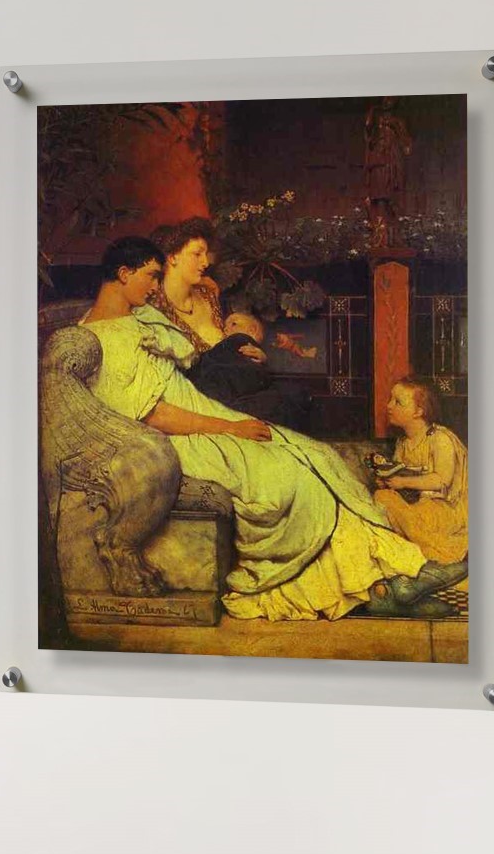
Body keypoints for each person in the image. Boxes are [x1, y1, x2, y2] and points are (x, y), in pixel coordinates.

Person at [81, 237, 428, 622]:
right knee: (291, 477)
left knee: (317, 454)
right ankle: (367, 586)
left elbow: (191, 357)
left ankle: (392, 574)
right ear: (123, 274)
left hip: (205, 415)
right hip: (178, 439)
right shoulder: (101, 338)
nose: (154, 286)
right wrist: (232, 428)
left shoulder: (139, 317)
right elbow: (154, 416)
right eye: (150, 276)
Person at [372, 378, 468, 566]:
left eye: (398, 402)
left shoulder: (440, 439)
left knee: (411, 515)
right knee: (382, 497)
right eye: (390, 399)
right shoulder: (403, 443)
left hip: (445, 509)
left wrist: (402, 482)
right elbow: (400, 474)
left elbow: (441, 480)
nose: (389, 406)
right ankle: (416, 549)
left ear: (418, 411)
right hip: (418, 506)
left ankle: (439, 550)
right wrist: (387, 481)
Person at [148, 217, 224, 354]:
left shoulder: (208, 294)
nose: (206, 263)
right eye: (197, 254)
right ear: (172, 257)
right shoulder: (154, 306)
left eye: (205, 254)